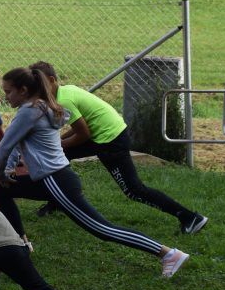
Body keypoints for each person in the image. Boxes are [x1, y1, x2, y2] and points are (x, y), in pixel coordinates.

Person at [0, 67, 190, 278]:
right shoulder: (39, 107)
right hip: (53, 180)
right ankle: (22, 243)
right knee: (0, 190)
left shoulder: (29, 111)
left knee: (102, 230)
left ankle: (169, 254)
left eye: (8, 91)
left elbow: (5, 145)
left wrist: (0, 173)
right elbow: (14, 144)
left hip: (56, 181)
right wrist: (4, 174)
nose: (5, 96)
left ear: (23, 90)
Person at [29, 61, 208, 235]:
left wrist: (58, 144)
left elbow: (83, 134)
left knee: (134, 190)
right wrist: (60, 143)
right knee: (60, 157)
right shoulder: (66, 91)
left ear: (52, 80)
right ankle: (58, 202)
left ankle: (189, 217)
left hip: (110, 140)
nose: (38, 93)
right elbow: (82, 128)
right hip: (103, 134)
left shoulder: (64, 100)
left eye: (40, 87)